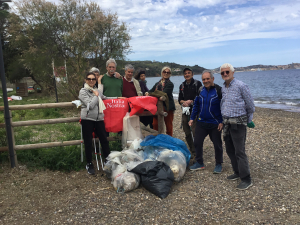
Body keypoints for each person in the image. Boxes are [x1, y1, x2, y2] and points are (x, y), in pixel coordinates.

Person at [79, 72, 124, 175]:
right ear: (86, 80)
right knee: (88, 141)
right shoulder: (83, 91)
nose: (91, 81)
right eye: (89, 79)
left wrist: (117, 98)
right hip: (88, 119)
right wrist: (96, 96)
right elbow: (89, 105)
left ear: (95, 80)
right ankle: (89, 163)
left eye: (93, 79)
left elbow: (105, 98)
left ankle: (107, 160)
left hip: (99, 119)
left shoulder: (97, 90)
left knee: (104, 140)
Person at [220, 63, 255, 190]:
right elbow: (223, 103)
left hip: (239, 123)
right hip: (227, 123)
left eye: (227, 72)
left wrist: (249, 119)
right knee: (230, 149)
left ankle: (246, 179)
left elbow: (250, 105)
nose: (225, 74)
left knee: (240, 151)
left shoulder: (241, 85)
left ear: (232, 72)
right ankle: (237, 172)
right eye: (222, 72)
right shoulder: (223, 87)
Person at [188, 70, 223, 173]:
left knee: (217, 144)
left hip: (214, 123)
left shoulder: (218, 90)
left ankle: (218, 164)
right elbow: (196, 106)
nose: (206, 81)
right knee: (197, 142)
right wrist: (191, 118)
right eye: (204, 79)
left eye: (208, 78)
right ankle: (199, 162)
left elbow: (223, 107)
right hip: (201, 122)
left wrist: (221, 121)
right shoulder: (200, 90)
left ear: (212, 78)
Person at [178, 67, 202, 155]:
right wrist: (185, 102)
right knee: (187, 132)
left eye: (188, 73)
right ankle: (192, 150)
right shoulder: (182, 85)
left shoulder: (197, 84)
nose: (187, 74)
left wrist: (191, 101)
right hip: (185, 112)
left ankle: (198, 151)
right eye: (185, 73)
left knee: (195, 132)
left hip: (195, 112)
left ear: (192, 74)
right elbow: (179, 100)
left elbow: (200, 96)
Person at [146, 66, 175, 136]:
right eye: (164, 72)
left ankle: (169, 140)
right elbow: (150, 91)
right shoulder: (157, 84)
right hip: (157, 107)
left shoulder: (170, 84)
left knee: (169, 126)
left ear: (170, 74)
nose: (166, 73)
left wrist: (151, 94)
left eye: (168, 72)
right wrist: (147, 93)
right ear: (162, 73)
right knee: (155, 124)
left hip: (168, 107)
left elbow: (163, 93)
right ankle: (157, 139)